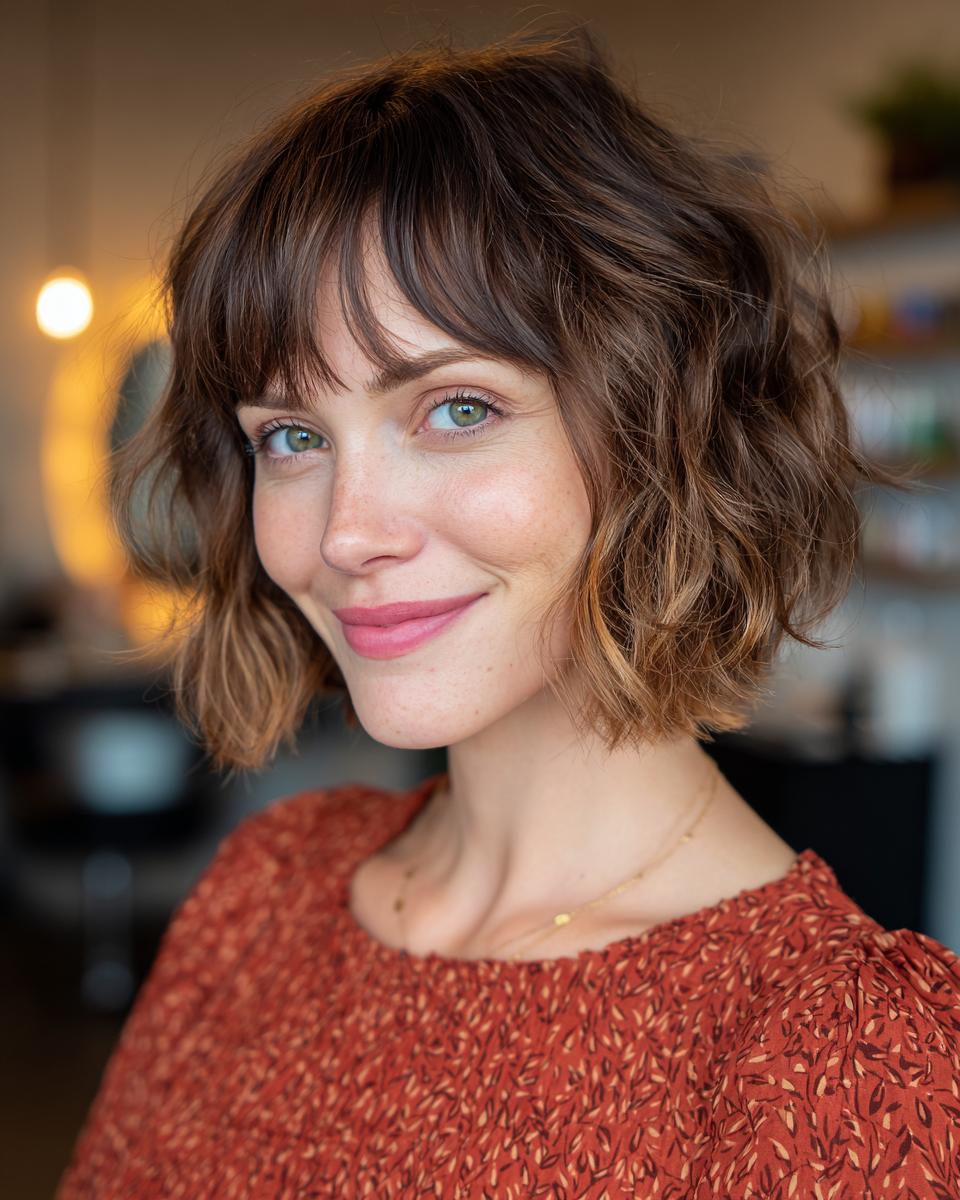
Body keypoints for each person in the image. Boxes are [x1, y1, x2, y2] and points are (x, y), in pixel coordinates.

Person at [59, 33, 960, 1200]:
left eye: (458, 409)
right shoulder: (268, 890)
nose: (346, 533)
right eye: (292, 435)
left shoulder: (842, 1057)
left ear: (659, 431)